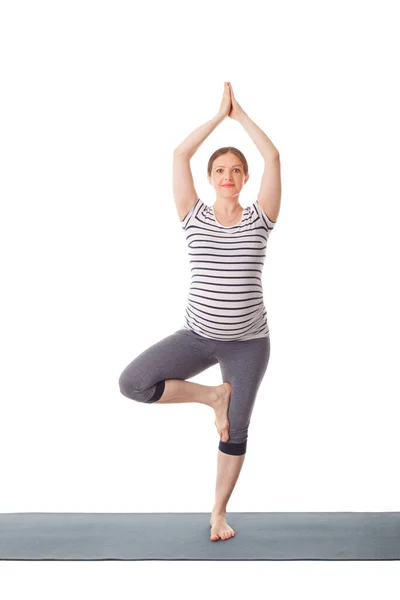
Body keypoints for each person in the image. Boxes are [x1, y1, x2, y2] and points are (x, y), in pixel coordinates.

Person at [118, 82, 281, 542]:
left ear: (245, 179)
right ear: (210, 177)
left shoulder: (261, 217)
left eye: (235, 170)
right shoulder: (193, 215)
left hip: (249, 342)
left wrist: (242, 116)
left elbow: (274, 158)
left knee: (237, 431)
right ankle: (212, 397)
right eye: (219, 169)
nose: (227, 176)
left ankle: (218, 512)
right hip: (197, 334)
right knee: (133, 383)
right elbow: (177, 156)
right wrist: (216, 118)